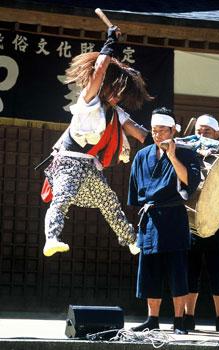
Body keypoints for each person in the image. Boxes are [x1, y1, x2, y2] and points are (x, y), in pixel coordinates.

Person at [42, 26, 154, 257]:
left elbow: (141, 134)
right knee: (62, 199)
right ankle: (51, 238)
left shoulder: (116, 112)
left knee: (110, 202)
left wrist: (162, 138)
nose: (117, 97)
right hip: (68, 162)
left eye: (121, 95)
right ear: (107, 85)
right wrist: (110, 41)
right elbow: (100, 68)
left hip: (90, 166)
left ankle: (132, 240)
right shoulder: (88, 100)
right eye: (116, 90)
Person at [127, 107, 201, 334]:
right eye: (154, 130)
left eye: (162, 130)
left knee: (177, 270)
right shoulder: (142, 155)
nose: (157, 134)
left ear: (173, 130)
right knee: (150, 270)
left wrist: (172, 155)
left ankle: (179, 320)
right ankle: (152, 319)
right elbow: (136, 191)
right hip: (151, 219)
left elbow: (190, 182)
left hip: (174, 218)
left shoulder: (187, 154)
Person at [184, 114, 219, 332]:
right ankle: (188, 318)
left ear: (217, 133)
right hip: (190, 221)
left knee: (218, 272)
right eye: (199, 131)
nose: (202, 135)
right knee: (189, 272)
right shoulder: (187, 150)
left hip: (216, 220)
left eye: (207, 132)